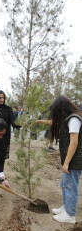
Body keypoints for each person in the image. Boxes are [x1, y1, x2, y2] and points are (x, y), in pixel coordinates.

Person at [37, 96, 82, 224]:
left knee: (71, 186)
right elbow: (53, 123)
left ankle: (70, 214)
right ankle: (66, 207)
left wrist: (67, 163)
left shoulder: (74, 119)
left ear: (62, 108)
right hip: (69, 158)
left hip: (74, 159)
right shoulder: (68, 118)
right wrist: (38, 121)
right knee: (65, 184)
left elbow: (74, 143)